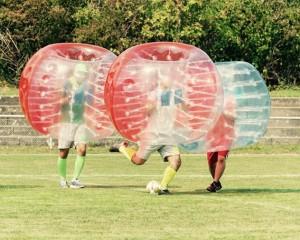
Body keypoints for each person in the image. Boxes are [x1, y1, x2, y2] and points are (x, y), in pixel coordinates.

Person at [118, 66, 186, 195]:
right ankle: (123, 148)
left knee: (176, 161)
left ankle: (163, 187)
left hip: (168, 134)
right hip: (153, 134)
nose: (170, 80)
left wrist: (182, 102)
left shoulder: (176, 93)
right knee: (138, 161)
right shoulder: (154, 94)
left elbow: (184, 109)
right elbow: (146, 111)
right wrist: (154, 104)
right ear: (161, 80)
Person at [57, 63, 91, 189]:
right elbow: (57, 102)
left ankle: (75, 180)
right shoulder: (66, 84)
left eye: (84, 74)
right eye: (80, 73)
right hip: (66, 121)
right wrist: (69, 98)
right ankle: (62, 179)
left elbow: (90, 102)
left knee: (82, 149)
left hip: (80, 121)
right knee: (63, 152)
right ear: (75, 73)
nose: (82, 76)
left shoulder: (86, 86)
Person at [205, 96, 236, 192]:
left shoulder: (230, 101)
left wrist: (222, 112)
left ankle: (215, 182)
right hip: (212, 134)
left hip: (226, 134)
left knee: (221, 158)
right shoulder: (209, 101)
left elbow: (234, 117)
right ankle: (217, 183)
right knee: (211, 162)